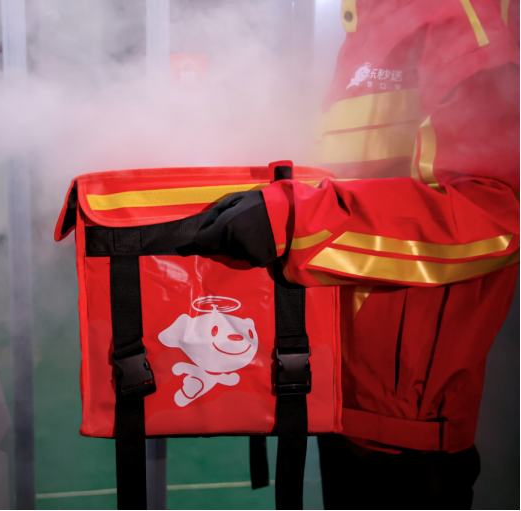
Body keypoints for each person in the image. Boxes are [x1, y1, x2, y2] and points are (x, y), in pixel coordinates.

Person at [193, 1, 520, 508]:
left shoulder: (463, 16)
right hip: (338, 385)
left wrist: (298, 221)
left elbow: (499, 212)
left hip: (407, 423)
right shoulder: (368, 21)